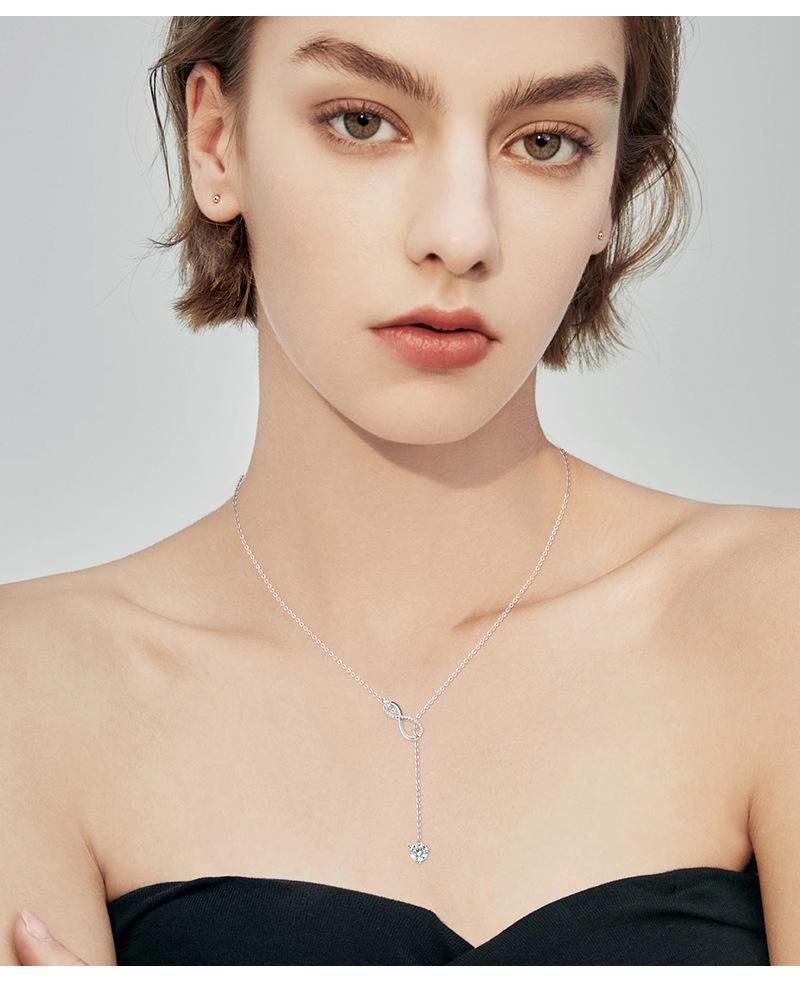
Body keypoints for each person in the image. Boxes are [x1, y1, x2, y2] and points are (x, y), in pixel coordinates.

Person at [2, 15, 798, 966]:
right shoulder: (31, 687)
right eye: (362, 122)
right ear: (215, 142)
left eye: (546, 142)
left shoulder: (771, 614)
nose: (459, 236)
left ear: (610, 189)